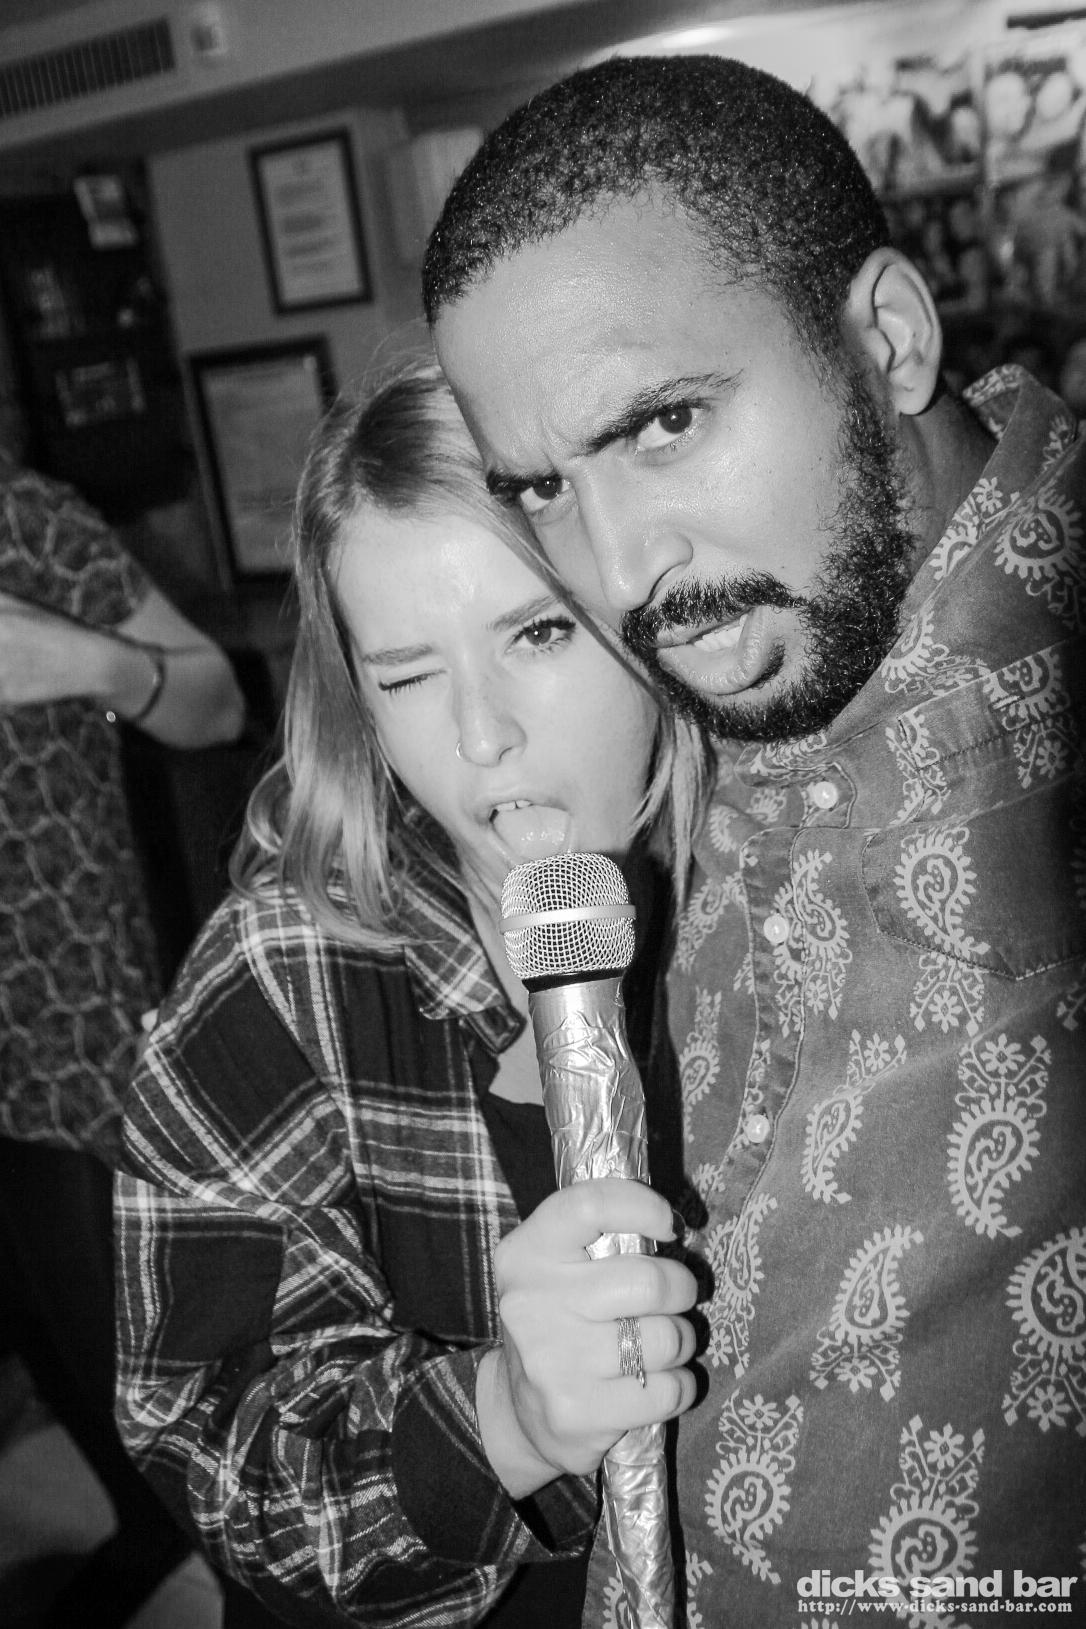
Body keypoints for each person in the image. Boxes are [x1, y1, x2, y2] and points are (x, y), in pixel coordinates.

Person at [423, 54, 1086, 1625]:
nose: (623, 568)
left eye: (664, 423)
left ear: (887, 338)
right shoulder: (760, 673)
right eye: (543, 485)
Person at [113, 360, 705, 1629]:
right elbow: (204, 1445)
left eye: (539, 632)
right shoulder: (278, 983)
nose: (483, 737)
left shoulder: (783, 899)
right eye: (408, 674)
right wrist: (505, 1421)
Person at [0, 435, 246, 1626]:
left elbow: (217, 702)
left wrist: (81, 660)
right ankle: (136, 1539)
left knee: (127, 1375)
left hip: (60, 1039)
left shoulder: (24, 521)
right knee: (46, 1357)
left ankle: (207, 1563)